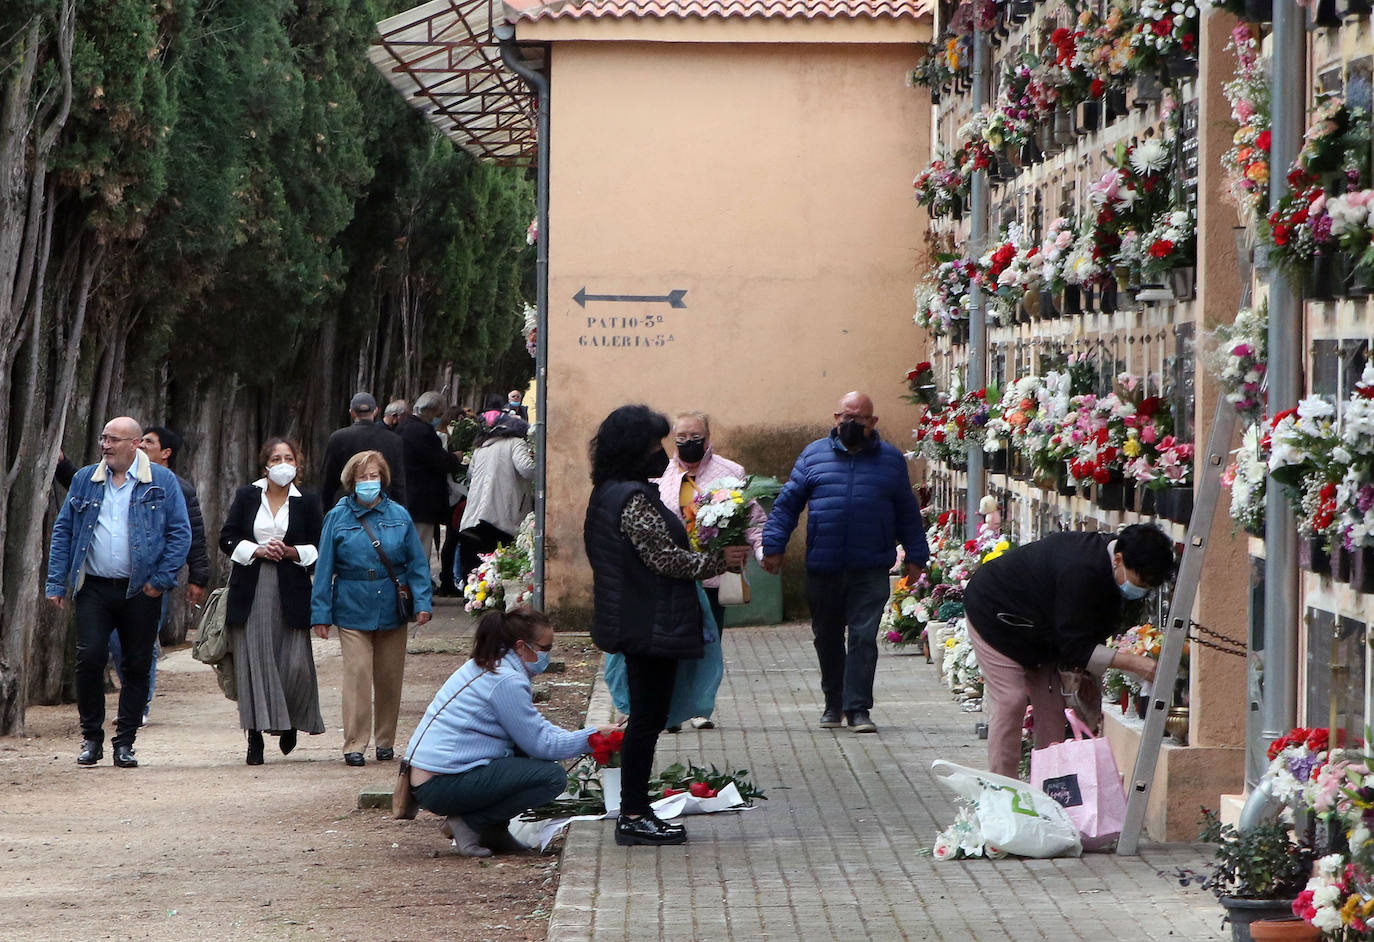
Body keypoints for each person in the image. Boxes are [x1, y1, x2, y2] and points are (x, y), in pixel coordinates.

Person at [583, 404, 749, 846]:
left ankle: (637, 807)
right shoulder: (633, 498)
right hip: (648, 622)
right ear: (635, 449)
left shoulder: (607, 491)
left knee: (646, 716)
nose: (662, 452)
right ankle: (634, 813)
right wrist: (719, 561)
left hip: (635, 617)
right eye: (654, 444)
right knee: (646, 719)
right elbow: (664, 559)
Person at [761, 391, 928, 735]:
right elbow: (787, 505)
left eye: (859, 419)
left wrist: (916, 556)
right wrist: (773, 546)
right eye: (845, 418)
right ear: (835, 418)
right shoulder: (813, 456)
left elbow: (907, 512)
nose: (851, 424)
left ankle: (858, 709)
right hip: (824, 564)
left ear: (873, 422)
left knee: (864, 636)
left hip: (870, 565)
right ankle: (833, 702)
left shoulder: (891, 461)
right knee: (827, 636)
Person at [962, 523, 1175, 778]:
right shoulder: (1081, 568)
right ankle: (1003, 791)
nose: (1142, 591)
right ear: (1118, 559)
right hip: (995, 616)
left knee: (1053, 712)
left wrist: (1084, 677)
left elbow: (1082, 635)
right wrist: (1135, 663)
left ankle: (1050, 791)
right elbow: (1075, 646)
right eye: (1141, 582)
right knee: (1011, 700)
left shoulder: (1113, 569)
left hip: (1043, 634)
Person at [405, 607, 617, 856]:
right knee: (551, 777)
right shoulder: (505, 680)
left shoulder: (491, 665)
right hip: (441, 783)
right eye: (545, 648)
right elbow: (541, 744)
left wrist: (585, 735)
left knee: (523, 756)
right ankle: (470, 823)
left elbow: (533, 729)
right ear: (521, 646)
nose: (547, 655)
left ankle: (494, 832)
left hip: (436, 777)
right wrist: (591, 738)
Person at [45, 416, 191, 768]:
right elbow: (64, 530)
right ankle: (91, 738)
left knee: (137, 664)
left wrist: (160, 580)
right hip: (94, 586)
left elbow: (180, 534)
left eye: (113, 439)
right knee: (90, 657)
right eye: (103, 438)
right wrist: (56, 581)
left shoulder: (162, 482)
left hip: (141, 589)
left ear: (135, 444)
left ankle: (125, 742)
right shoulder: (86, 480)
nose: (105, 445)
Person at [311, 450, 433, 767]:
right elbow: (323, 568)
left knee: (390, 675)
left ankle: (385, 740)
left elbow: (417, 564)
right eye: (363, 477)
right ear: (352, 482)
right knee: (358, 673)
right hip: (352, 603)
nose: (369, 482)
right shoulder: (337, 517)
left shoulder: (399, 515)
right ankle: (354, 742)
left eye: (374, 476)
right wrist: (320, 613)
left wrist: (422, 603)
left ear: (383, 479)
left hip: (392, 602)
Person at [652, 410, 764, 730]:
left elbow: (753, 518)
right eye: (682, 438)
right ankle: (670, 710)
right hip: (673, 573)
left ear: (708, 437)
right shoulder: (660, 473)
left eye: (695, 437)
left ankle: (699, 707)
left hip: (713, 574)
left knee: (707, 642)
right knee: (673, 643)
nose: (688, 443)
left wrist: (761, 550)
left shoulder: (731, 471)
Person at [219, 437, 327, 765]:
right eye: (276, 458)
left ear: (298, 464)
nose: (283, 464)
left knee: (295, 663)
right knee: (255, 660)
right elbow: (227, 537)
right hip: (251, 586)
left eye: (289, 458)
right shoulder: (246, 495)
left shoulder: (307, 500)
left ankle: (290, 720)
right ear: (265, 464)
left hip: (291, 586)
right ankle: (254, 737)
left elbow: (318, 545)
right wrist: (256, 549)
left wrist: (292, 552)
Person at [108, 427, 212, 725]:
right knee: (116, 642)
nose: (142, 446)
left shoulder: (178, 487)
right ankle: (133, 694)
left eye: (149, 443)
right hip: (112, 578)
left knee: (142, 640)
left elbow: (191, 534)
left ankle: (138, 704)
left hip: (153, 579)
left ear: (166, 453)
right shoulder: (117, 480)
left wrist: (198, 577)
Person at [458, 413, 534, 579]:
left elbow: (470, 474)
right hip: (500, 513)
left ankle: (471, 594)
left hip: (474, 513)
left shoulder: (481, 447)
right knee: (496, 559)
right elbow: (527, 470)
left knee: (475, 560)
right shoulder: (516, 443)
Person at [398, 391, 463, 562]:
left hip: (406, 497)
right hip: (422, 501)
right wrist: (455, 458)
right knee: (419, 551)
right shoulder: (423, 432)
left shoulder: (403, 427)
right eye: (439, 414)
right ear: (428, 411)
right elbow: (438, 461)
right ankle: (416, 586)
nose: (440, 419)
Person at [319, 392, 408, 509]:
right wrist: (402, 511)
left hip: (347, 509)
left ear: (352, 412)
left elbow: (329, 481)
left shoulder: (338, 438)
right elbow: (398, 483)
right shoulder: (393, 440)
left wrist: (326, 509)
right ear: (376, 411)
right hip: (383, 509)